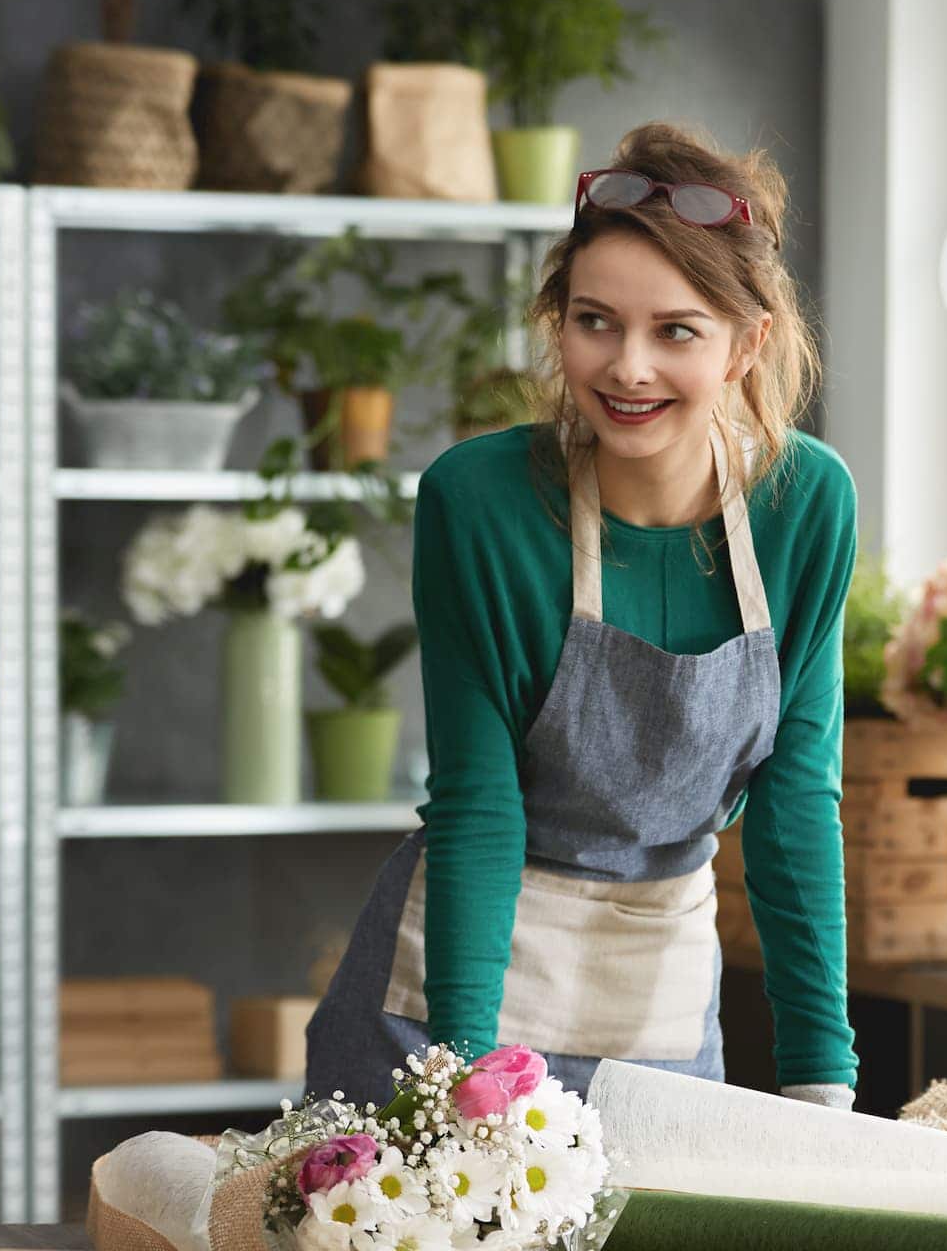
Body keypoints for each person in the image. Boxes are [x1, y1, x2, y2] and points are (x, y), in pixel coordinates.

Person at [304, 122, 859, 1112]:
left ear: (748, 344)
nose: (627, 368)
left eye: (676, 331)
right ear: (556, 321)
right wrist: (457, 1087)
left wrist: (825, 1084)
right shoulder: (479, 502)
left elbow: (794, 805)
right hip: (444, 1010)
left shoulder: (806, 505)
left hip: (655, 1016)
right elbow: (477, 806)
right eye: (595, 321)